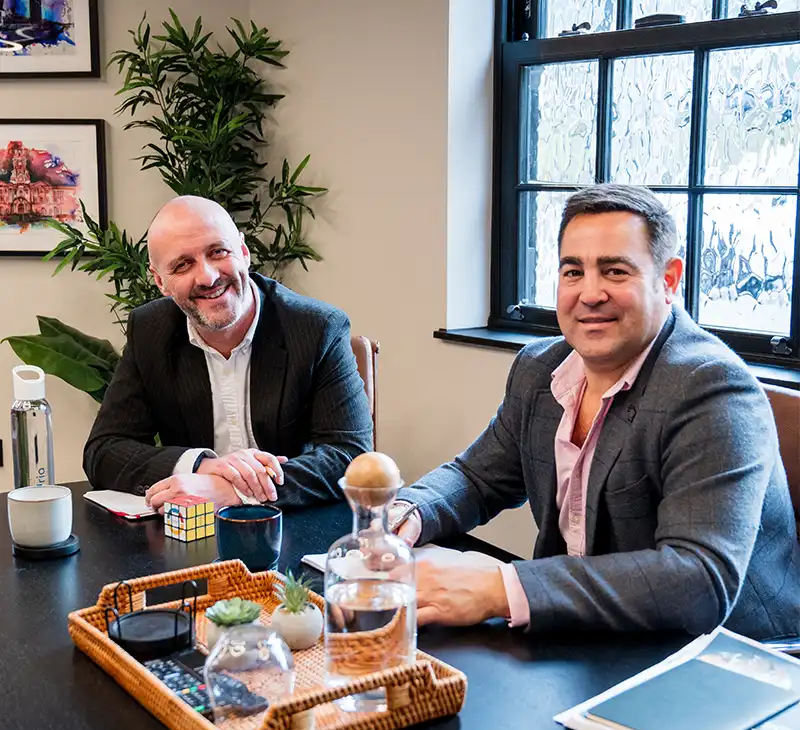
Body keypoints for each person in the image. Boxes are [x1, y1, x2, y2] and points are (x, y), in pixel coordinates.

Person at [392, 184, 800, 640]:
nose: (590, 293)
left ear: (668, 280)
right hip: (589, 635)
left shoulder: (712, 389)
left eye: (615, 271)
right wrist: (407, 515)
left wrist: (498, 588)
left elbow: (698, 581)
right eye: (573, 271)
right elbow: (477, 478)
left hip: (728, 661)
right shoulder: (539, 368)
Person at [83, 196, 373, 511]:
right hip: (192, 533)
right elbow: (104, 451)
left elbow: (350, 455)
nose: (207, 277)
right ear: (160, 282)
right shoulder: (150, 331)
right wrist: (203, 467)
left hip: (290, 524)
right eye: (183, 265)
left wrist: (236, 493)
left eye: (217, 252)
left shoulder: (316, 328)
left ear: (244, 252)